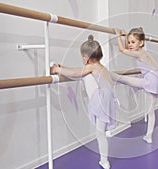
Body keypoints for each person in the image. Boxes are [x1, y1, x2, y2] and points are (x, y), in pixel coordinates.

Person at [51, 35, 115, 169]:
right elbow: (78, 72)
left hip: (100, 101)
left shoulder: (91, 68)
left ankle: (104, 160)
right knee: (101, 132)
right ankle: (104, 160)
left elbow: (76, 73)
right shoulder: (102, 67)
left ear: (86, 58)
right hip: (108, 101)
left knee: (100, 133)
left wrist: (58, 69)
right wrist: (64, 68)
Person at [112, 27, 158, 144]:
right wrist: (126, 37)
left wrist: (118, 35)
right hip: (156, 79)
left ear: (141, 43)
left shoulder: (139, 53)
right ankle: (149, 136)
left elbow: (123, 50)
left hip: (150, 80)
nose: (129, 44)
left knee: (125, 79)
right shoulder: (142, 52)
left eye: (133, 42)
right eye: (129, 42)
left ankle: (108, 76)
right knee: (151, 111)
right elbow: (127, 48)